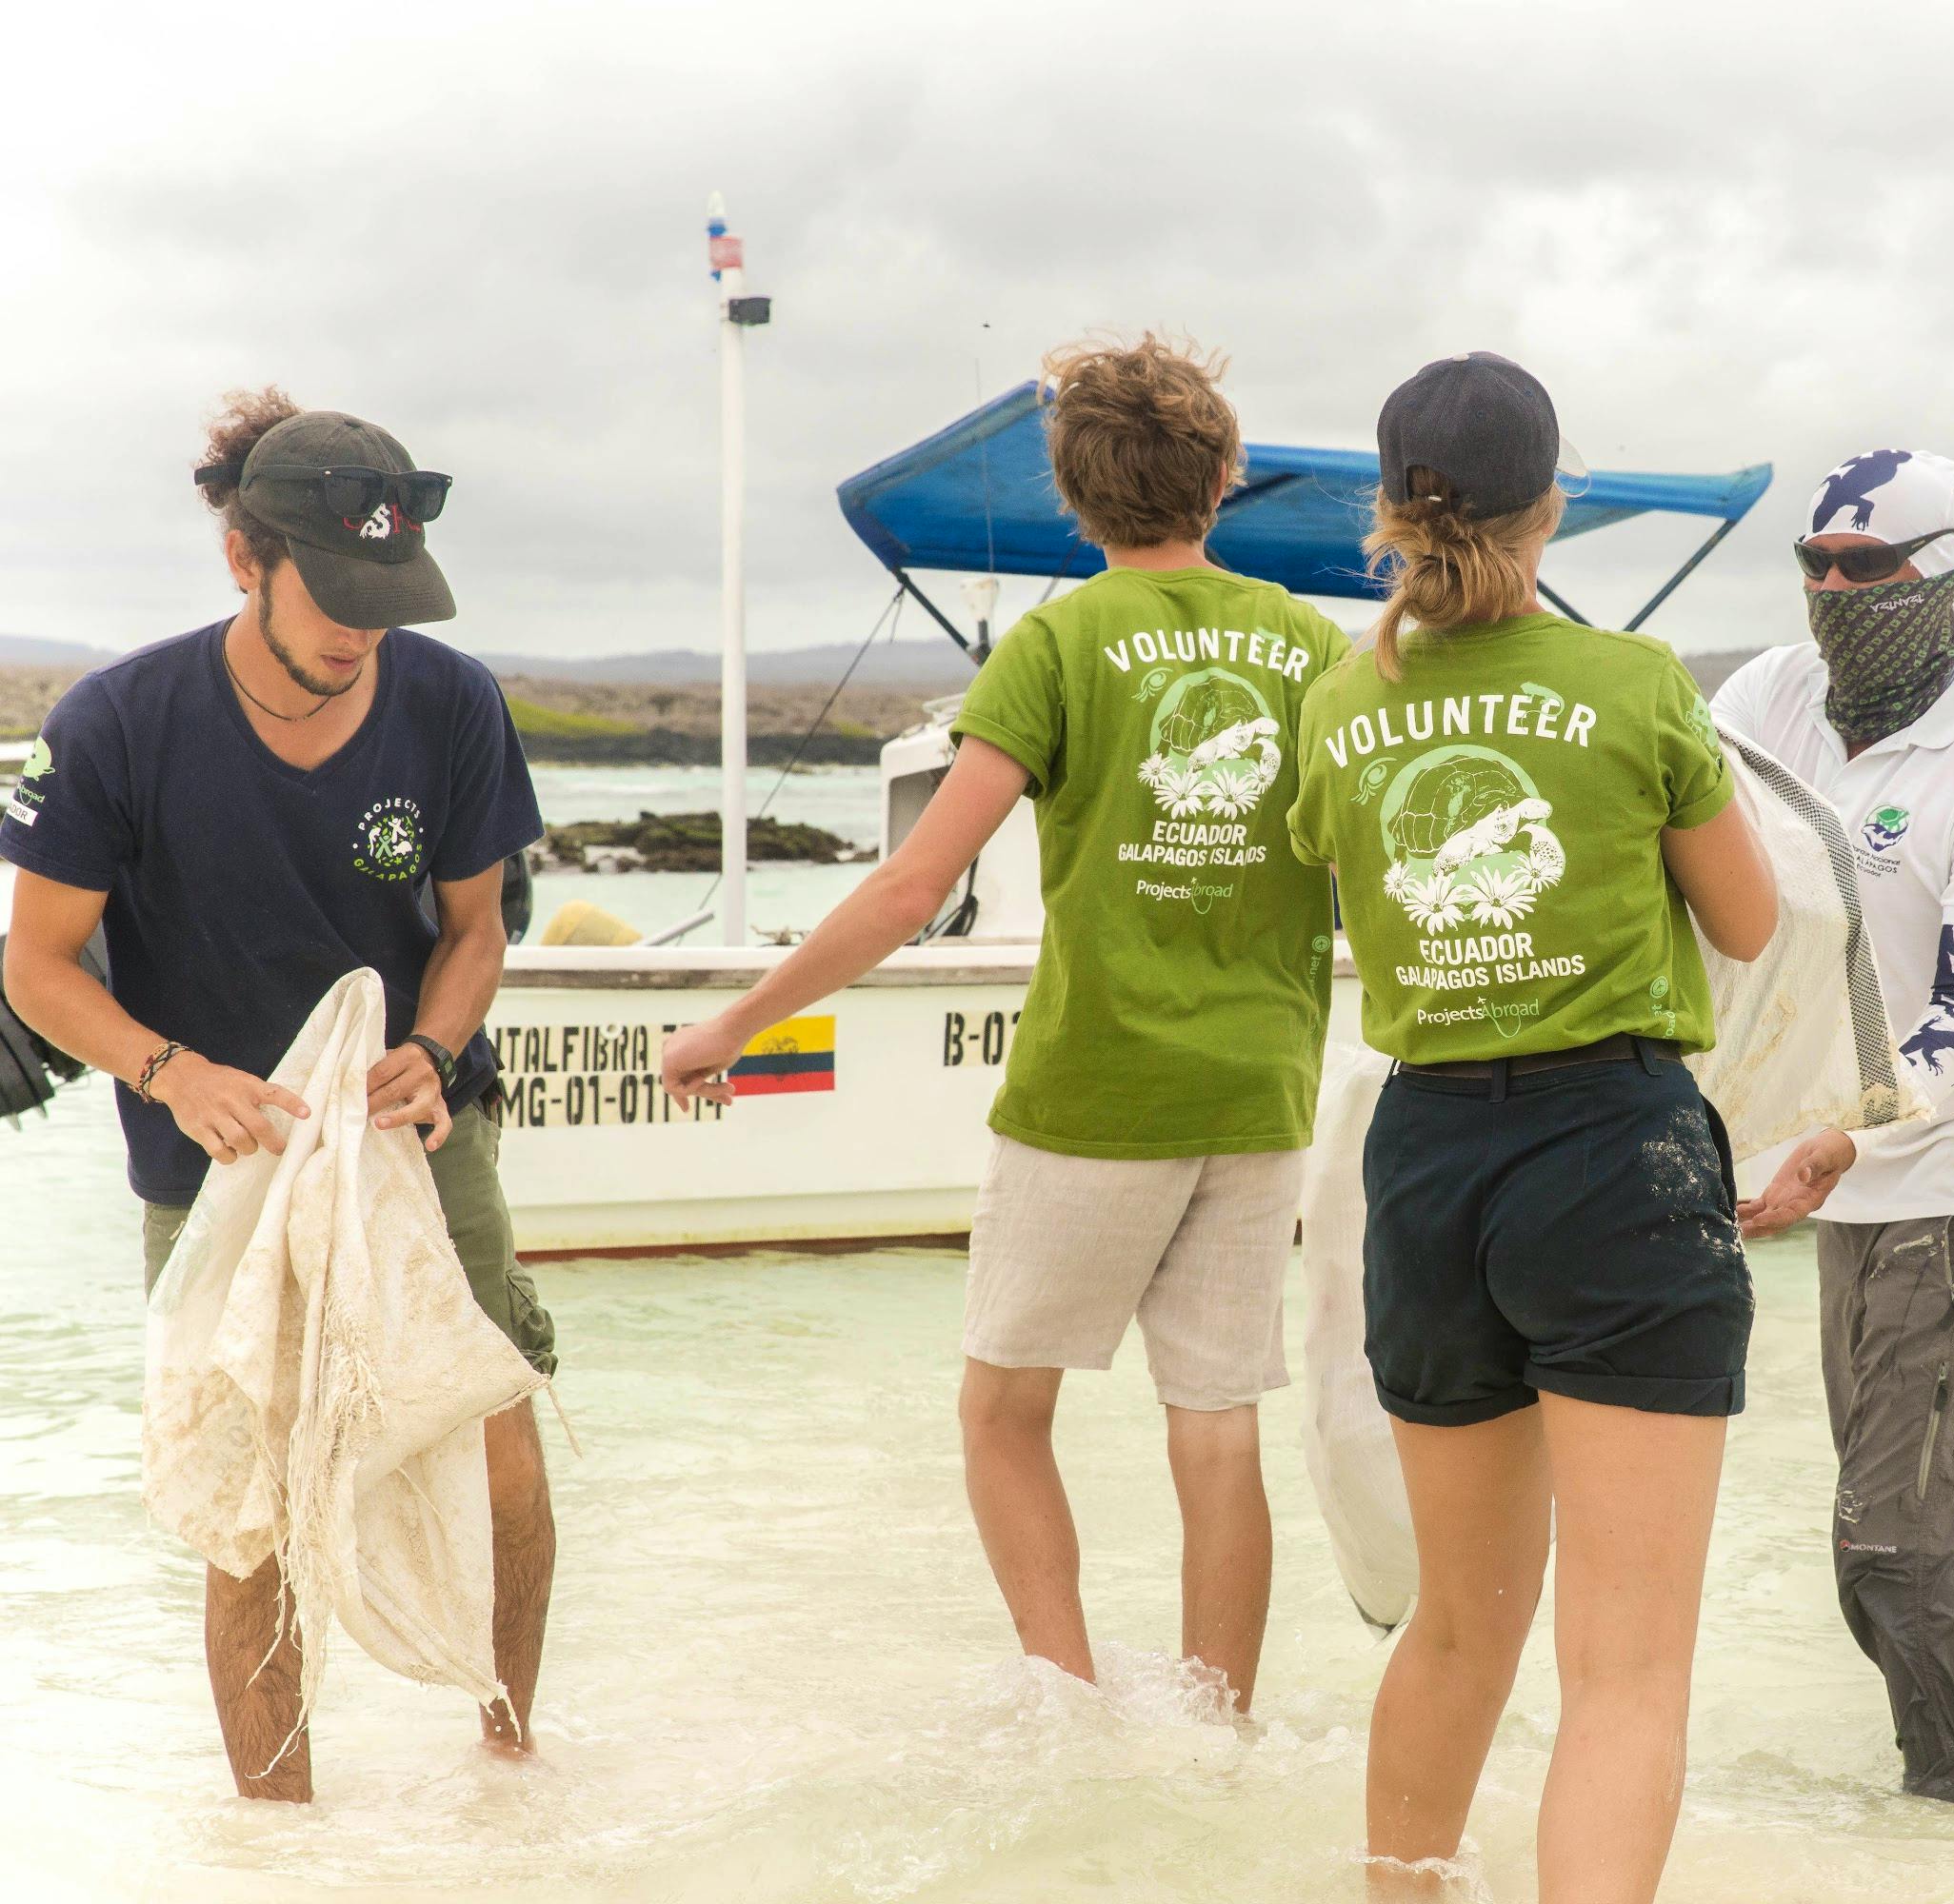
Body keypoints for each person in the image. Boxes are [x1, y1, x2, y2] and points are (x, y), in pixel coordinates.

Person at [661, 336, 1346, 1712]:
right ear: (1224, 476)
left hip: (1100, 1089)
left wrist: (735, 1020)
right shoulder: (1305, 639)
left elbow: (918, 884)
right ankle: (1219, 1729)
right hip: (1262, 1088)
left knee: (1001, 1409)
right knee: (1216, 1435)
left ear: (1071, 499)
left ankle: (1067, 1702)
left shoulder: (1056, 642)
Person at [0, 392, 554, 1801]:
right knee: (250, 1514)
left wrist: (433, 1049)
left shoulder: (453, 702)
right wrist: (171, 1073)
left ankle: (513, 1781)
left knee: (497, 1459)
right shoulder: (119, 721)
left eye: (392, 594)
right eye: (339, 592)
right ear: (246, 559)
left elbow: (479, 927)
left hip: (413, 1133)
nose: (366, 627)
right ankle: (278, 1845)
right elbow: (39, 965)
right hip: (215, 1155)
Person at [1286, 352, 1778, 1901]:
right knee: (1625, 1674)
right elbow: (1753, 923)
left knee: (1456, 1624)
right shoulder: (1636, 686)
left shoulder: (1340, 700)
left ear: (1388, 512)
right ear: (1552, 505)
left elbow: (1339, 887)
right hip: (1612, 1153)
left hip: (1426, 1167)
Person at [1710, 448, 1954, 1804]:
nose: (1831, 589)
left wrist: (1839, 1142)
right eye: (1813, 563)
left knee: (1898, 1553)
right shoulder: (1767, 699)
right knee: (1947, 1528)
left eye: (1865, 568)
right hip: (1848, 1181)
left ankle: (1939, 1829)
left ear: (1938, 576)